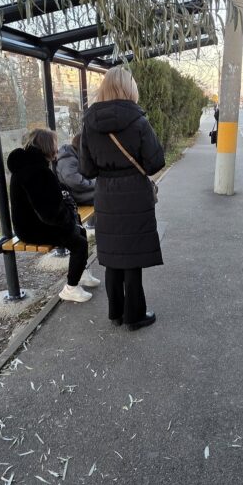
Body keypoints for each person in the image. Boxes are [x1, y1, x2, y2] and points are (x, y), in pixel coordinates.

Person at [80, 65, 165, 330]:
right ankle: (135, 316)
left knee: (112, 257)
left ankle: (116, 313)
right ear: (129, 88)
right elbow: (155, 163)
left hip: (106, 195)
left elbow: (86, 169)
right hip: (134, 197)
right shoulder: (138, 121)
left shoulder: (89, 124)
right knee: (132, 258)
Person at [7, 128, 100, 303]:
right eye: (55, 144)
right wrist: (70, 220)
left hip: (30, 223)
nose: (57, 148)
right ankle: (71, 288)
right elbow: (50, 213)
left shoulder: (30, 165)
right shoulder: (37, 171)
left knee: (79, 232)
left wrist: (71, 219)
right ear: (47, 146)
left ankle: (81, 273)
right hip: (32, 228)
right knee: (78, 242)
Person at [56, 133, 96, 205]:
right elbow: (77, 183)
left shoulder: (74, 156)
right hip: (78, 196)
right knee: (107, 196)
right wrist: (98, 182)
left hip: (83, 194)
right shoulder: (67, 160)